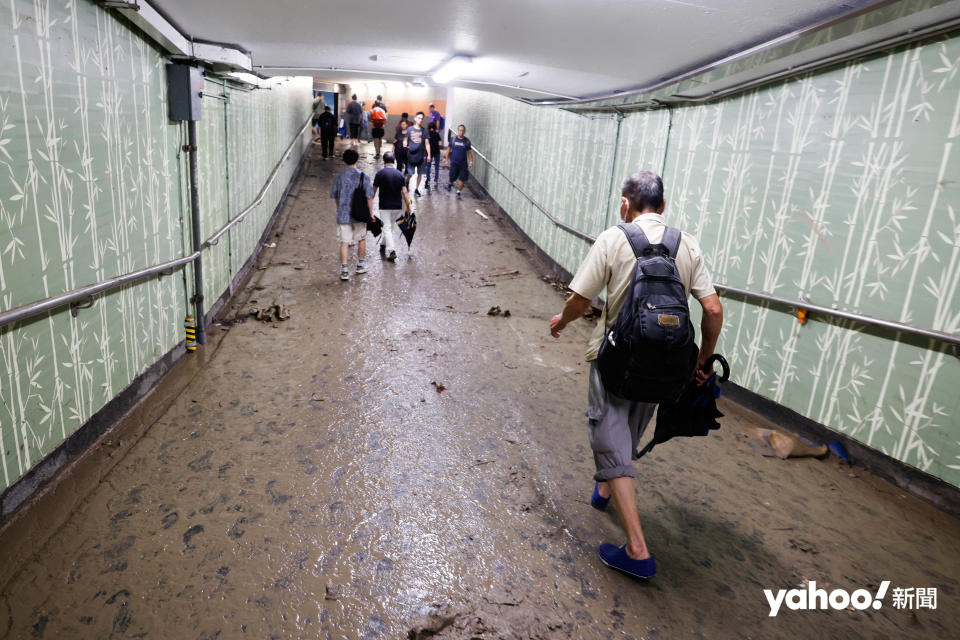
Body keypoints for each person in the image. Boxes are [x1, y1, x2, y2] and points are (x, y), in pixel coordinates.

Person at [549, 170, 723, 580]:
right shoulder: (687, 245)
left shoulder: (614, 238)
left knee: (608, 434)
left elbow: (580, 299)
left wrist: (562, 320)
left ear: (626, 204)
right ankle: (607, 486)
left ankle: (638, 551)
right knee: (628, 429)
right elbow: (713, 309)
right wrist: (703, 361)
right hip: (666, 365)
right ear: (662, 206)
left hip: (616, 358)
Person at [330, 149, 375, 280]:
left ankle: (344, 270)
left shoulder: (339, 178)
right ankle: (360, 266)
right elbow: (369, 197)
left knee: (344, 242)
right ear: (357, 159)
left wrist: (339, 209)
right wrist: (370, 214)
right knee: (361, 238)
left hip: (343, 214)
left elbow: (336, 196)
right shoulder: (364, 176)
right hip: (360, 214)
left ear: (344, 161)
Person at [372, 152, 411, 262]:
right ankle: (383, 244)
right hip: (397, 206)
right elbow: (405, 192)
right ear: (394, 161)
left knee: (387, 227)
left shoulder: (380, 174)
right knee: (389, 227)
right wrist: (408, 207)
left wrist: (368, 204)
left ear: (384, 161)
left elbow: (373, 192)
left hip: (384, 206)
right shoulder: (400, 175)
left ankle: (392, 251)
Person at [404, 112, 430, 197]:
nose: (420, 120)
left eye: (422, 118)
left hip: (421, 156)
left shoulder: (424, 131)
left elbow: (427, 143)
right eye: (419, 118)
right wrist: (405, 143)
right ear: (415, 118)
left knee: (420, 173)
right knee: (410, 173)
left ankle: (416, 189)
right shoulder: (410, 129)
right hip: (411, 155)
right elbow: (406, 139)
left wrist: (429, 155)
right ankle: (407, 181)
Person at [445, 124, 473, 199]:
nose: (461, 132)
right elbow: (448, 150)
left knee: (462, 178)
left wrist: (471, 162)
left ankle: (458, 192)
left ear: (464, 131)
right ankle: (450, 183)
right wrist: (447, 160)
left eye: (463, 131)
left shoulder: (467, 141)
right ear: (458, 131)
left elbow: (469, 152)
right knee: (452, 177)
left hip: (463, 164)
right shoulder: (453, 139)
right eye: (460, 130)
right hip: (454, 163)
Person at [425, 121, 442, 190]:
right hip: (437, 152)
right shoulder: (437, 134)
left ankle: (428, 180)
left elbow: (426, 143)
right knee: (436, 166)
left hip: (429, 153)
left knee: (428, 166)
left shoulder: (427, 134)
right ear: (434, 127)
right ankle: (435, 181)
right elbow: (440, 143)